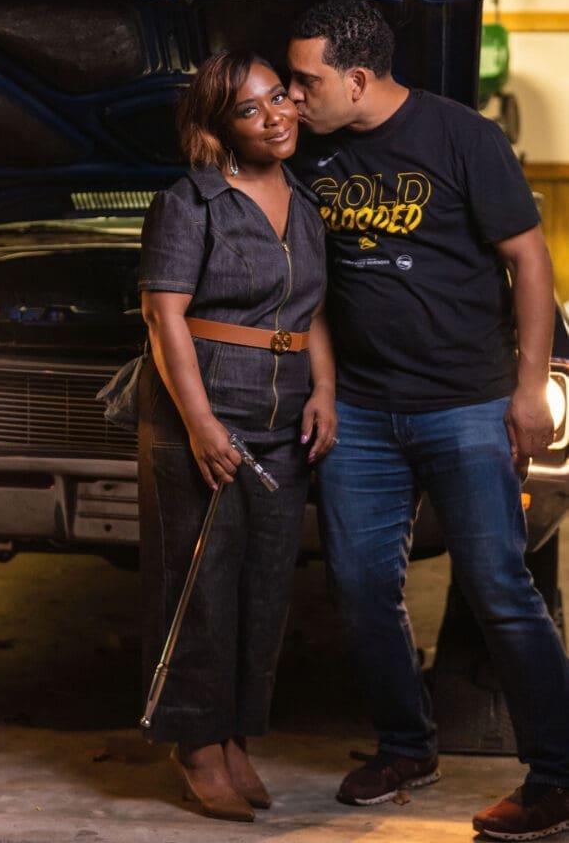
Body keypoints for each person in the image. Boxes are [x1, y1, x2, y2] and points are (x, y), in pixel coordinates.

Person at [286, 0, 569, 840]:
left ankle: (556, 774)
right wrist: (328, 388)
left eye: (307, 83)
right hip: (364, 417)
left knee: (498, 591)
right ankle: (406, 745)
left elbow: (527, 260)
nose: (295, 99)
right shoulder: (311, 158)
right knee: (363, 587)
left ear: (359, 78)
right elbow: (317, 292)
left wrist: (527, 386)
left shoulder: (462, 138)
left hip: (468, 404)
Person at [137, 49, 336, 822]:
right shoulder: (191, 203)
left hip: (285, 418)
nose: (275, 115)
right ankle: (194, 742)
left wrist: (325, 389)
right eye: (251, 109)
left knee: (262, 586)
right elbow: (164, 317)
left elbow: (313, 309)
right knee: (199, 586)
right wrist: (200, 425)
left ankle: (235, 735)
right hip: (207, 410)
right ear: (220, 127)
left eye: (280, 97)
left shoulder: (308, 202)